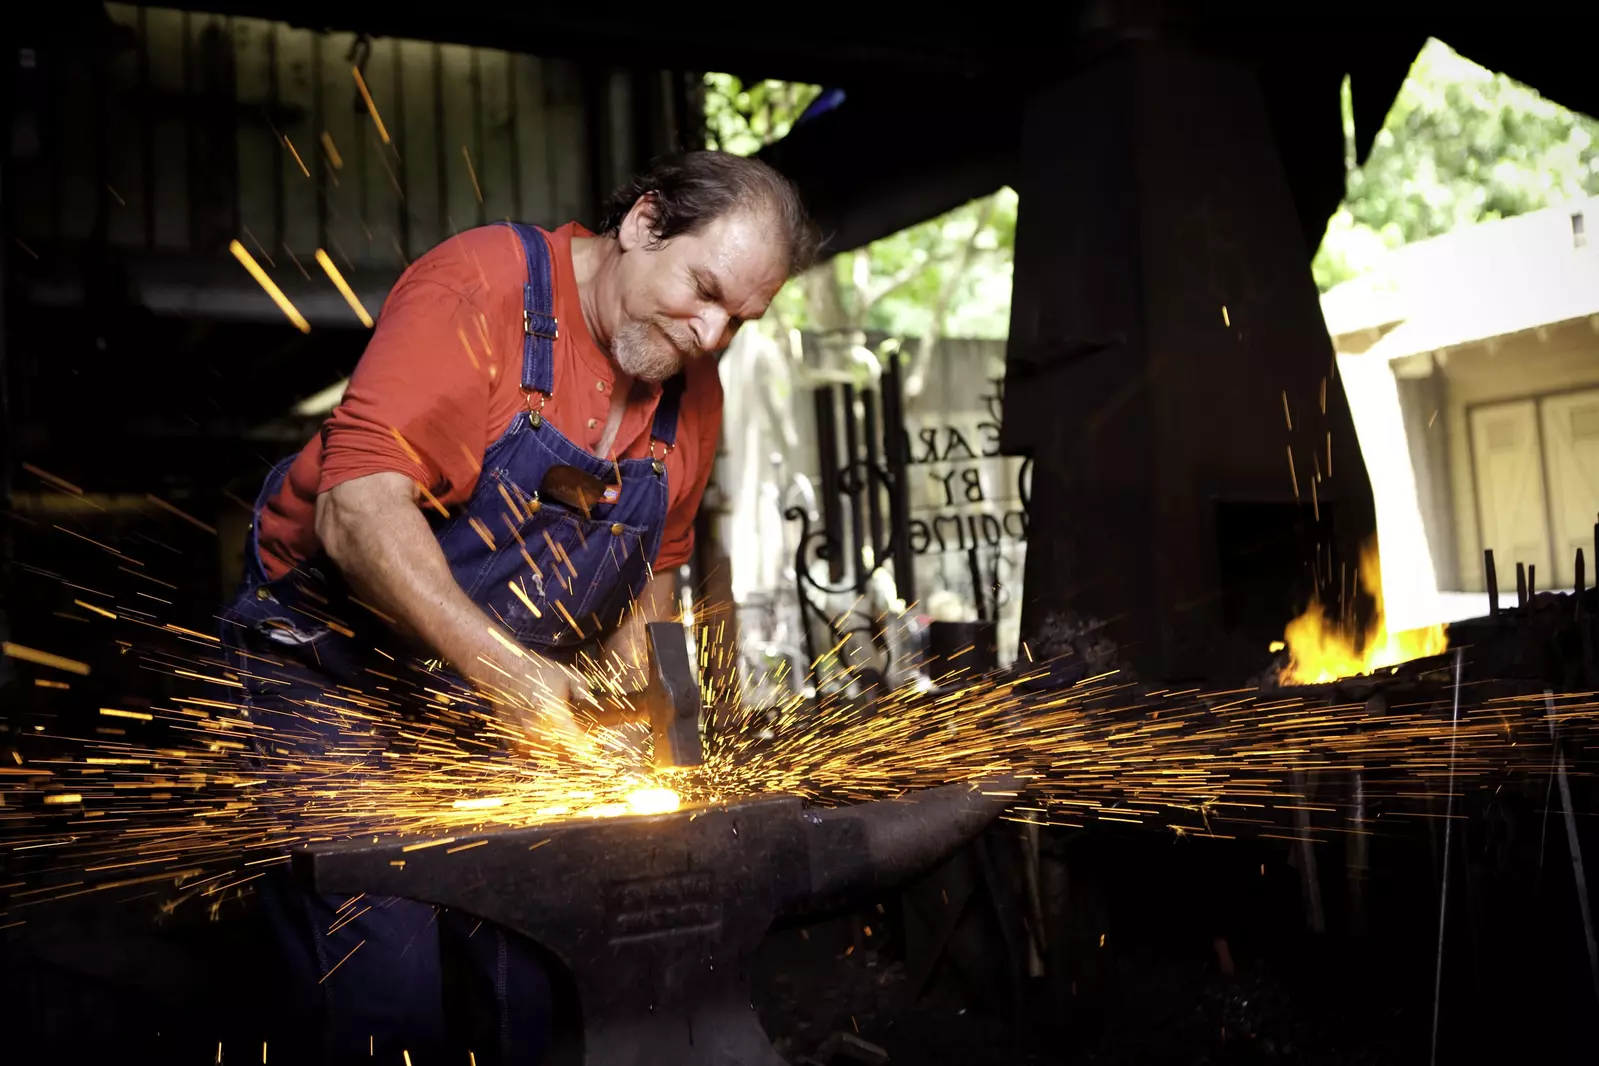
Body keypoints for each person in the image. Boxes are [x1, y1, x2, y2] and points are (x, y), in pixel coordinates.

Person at [218, 151, 818, 1063]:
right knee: (389, 964)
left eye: (740, 319)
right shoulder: (478, 293)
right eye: (703, 291)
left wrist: (652, 731)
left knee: (534, 949)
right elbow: (357, 509)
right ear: (643, 222)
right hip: (333, 671)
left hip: (495, 690)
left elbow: (651, 575)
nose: (710, 335)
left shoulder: (693, 394)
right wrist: (510, 676)